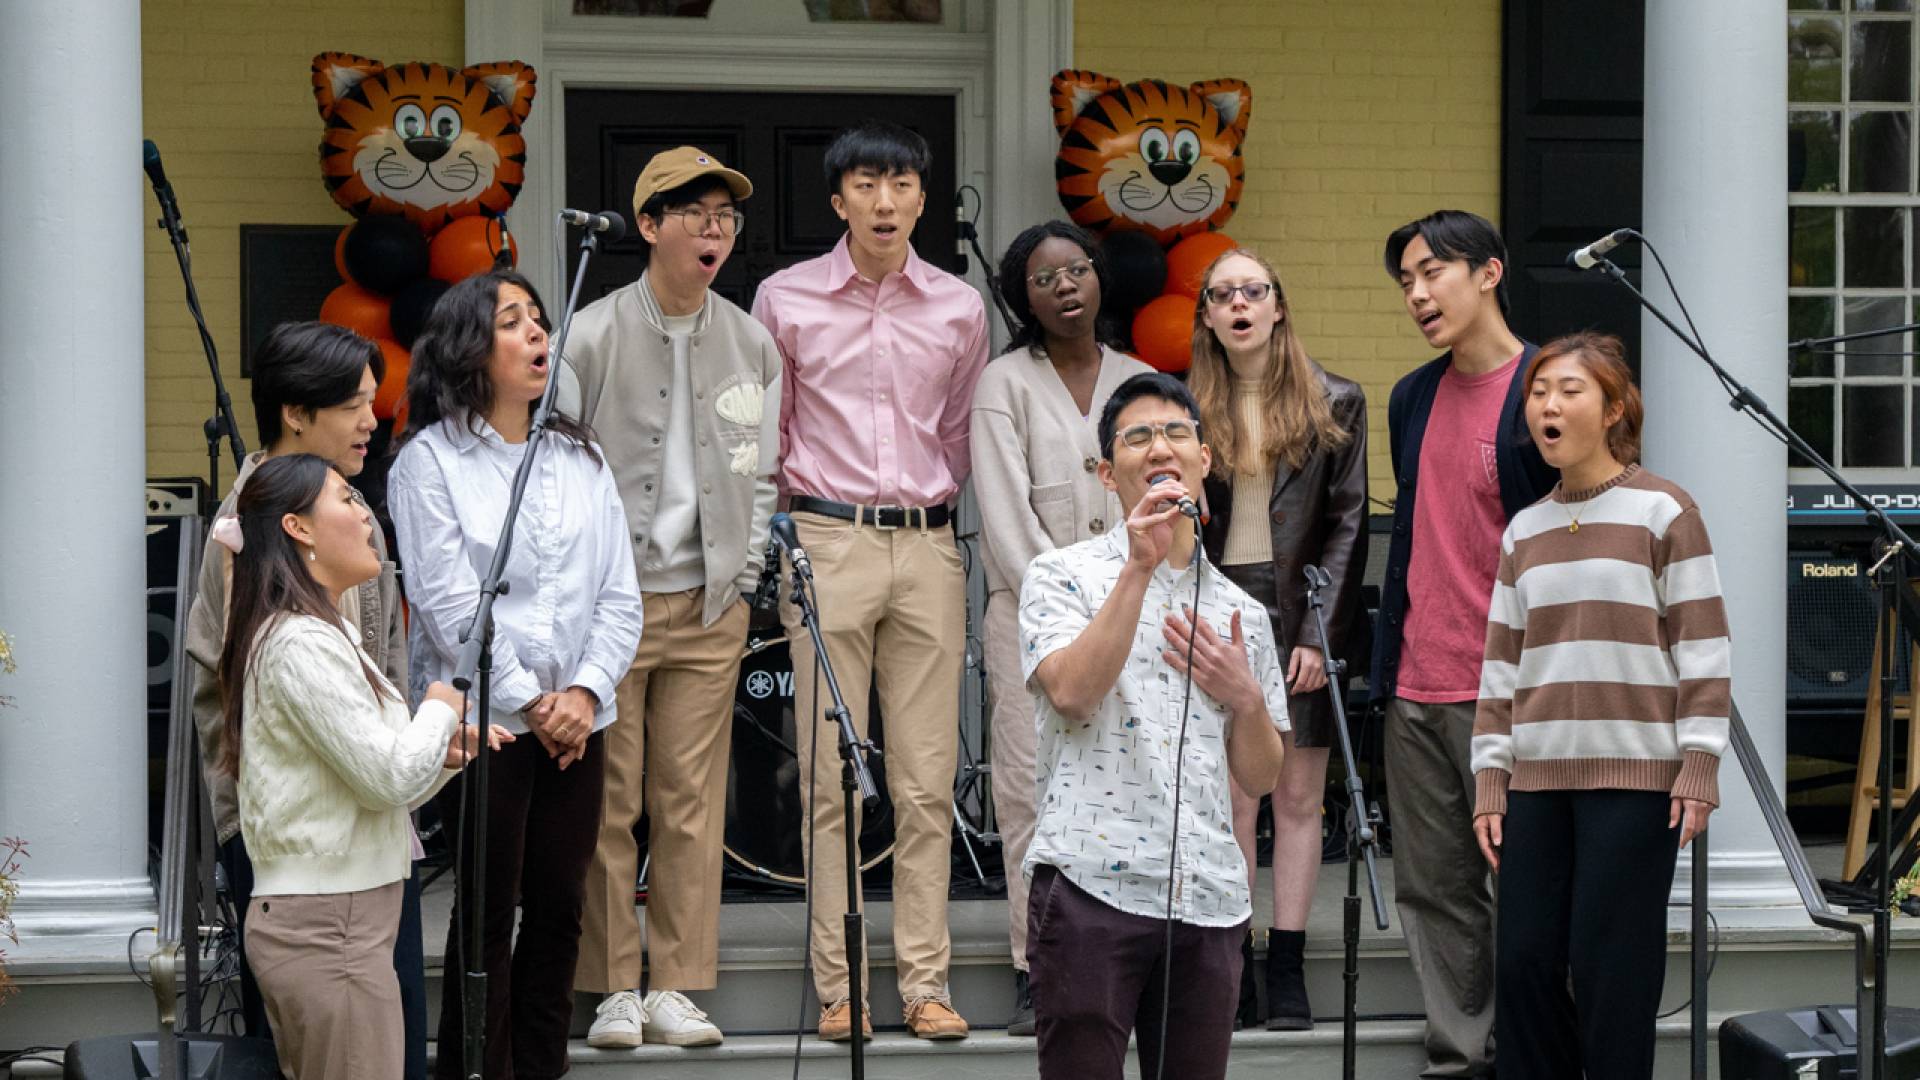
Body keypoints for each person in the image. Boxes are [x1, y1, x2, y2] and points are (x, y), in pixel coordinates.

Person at [752, 120, 989, 1042]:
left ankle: (925, 984)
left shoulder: (960, 308)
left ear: (923, 197)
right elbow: (768, 435)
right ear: (838, 198)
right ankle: (841, 988)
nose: (884, 201)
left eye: (900, 184)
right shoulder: (785, 298)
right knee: (829, 780)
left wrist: (939, 530)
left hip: (928, 546)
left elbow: (961, 432)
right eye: (866, 184)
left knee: (928, 782)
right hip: (826, 538)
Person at [390, 269, 644, 1080]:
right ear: (470, 346)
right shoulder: (428, 463)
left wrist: (584, 692)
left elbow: (619, 594)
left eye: (540, 319)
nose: (538, 333)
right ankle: (476, 1070)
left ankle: (542, 1068)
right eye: (514, 321)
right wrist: (534, 703)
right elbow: (447, 606)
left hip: (578, 720)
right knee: (488, 910)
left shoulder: (578, 456)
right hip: (485, 722)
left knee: (562, 908)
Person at [565, 145, 781, 1049]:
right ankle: (615, 986)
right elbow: (559, 474)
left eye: (725, 216)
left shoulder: (752, 340)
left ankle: (679, 985)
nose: (714, 229)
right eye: (693, 213)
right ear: (647, 227)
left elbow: (762, 473)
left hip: (708, 601)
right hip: (611, 606)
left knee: (691, 797)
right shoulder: (592, 333)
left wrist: (745, 573)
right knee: (611, 800)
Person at [183, 321, 436, 1077]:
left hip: (367, 825)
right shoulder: (247, 532)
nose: (373, 419)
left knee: (390, 1045)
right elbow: (266, 692)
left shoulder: (351, 514)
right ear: (296, 413)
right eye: (355, 404)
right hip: (294, 847)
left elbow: (384, 667)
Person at [1020, 371, 1290, 1080]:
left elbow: (1261, 775)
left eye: (1177, 433)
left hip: (1208, 897)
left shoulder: (1242, 612)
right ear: (1109, 474)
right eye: (1138, 437)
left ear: (1205, 461)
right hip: (1088, 888)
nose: (1160, 448)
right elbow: (1073, 695)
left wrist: (1248, 698)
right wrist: (1138, 569)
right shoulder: (1061, 576)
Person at [1471, 332, 1727, 1079]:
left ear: (1615, 408)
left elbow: (1705, 648)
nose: (1547, 404)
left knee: (1613, 971)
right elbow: (1500, 668)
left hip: (1637, 783)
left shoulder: (1665, 511)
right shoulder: (1524, 529)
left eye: (1568, 390)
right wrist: (1492, 778)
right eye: (1538, 392)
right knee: (1522, 965)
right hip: (1536, 784)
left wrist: (1699, 765)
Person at [214, 452, 506, 1080]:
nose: (367, 518)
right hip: (329, 932)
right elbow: (389, 777)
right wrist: (439, 701)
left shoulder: (317, 633)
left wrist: (441, 756)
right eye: (347, 499)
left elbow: (376, 779)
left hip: (338, 928)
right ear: (299, 528)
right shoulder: (298, 641)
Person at [1374, 209, 1556, 1078]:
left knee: (1519, 894)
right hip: (1417, 684)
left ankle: (1530, 1057)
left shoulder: (1548, 391)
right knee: (1434, 890)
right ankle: (1459, 1058)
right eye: (1405, 281)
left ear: (1488, 272)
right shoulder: (1411, 396)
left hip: (1514, 694)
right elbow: (1416, 534)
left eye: (1429, 274)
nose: (1415, 294)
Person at [969, 219, 1151, 1035]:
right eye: (1045, 280)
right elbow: (1005, 519)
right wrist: (1068, 601)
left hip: (1133, 614)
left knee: (1127, 780)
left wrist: (1115, 599)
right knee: (1028, 791)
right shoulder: (1002, 384)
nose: (1066, 287)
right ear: (1022, 296)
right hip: (1028, 620)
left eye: (1077, 270)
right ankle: (1035, 965)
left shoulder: (1143, 381)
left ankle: (1124, 959)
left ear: (1099, 277)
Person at [1189, 248, 1368, 1031]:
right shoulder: (1184, 403)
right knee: (1233, 796)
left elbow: (1348, 523)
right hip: (1219, 602)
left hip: (1303, 609)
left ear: (1278, 306)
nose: (1238, 304)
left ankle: (1286, 966)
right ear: (1206, 315)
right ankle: (1233, 965)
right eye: (1221, 294)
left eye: (1252, 291)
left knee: (1297, 796)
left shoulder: (1338, 400)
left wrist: (1317, 633)